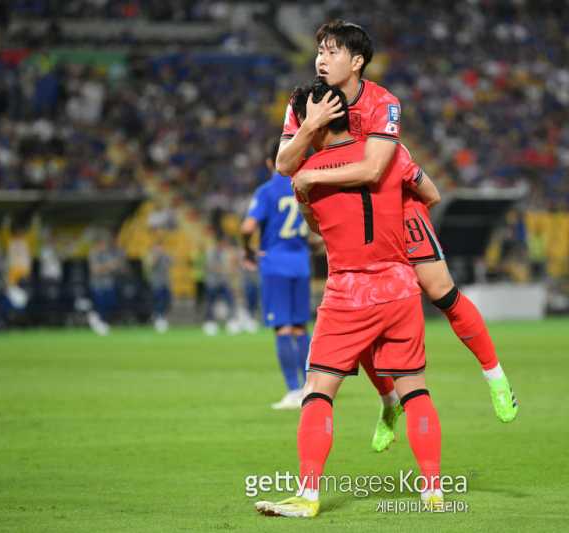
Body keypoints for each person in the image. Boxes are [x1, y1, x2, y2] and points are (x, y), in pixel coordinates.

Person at [278, 20, 517, 452]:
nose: (321, 59)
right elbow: (282, 164)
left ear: (356, 62)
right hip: (351, 218)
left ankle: (494, 375)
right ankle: (389, 401)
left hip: (398, 210)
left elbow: (377, 170)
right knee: (362, 307)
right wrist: (311, 129)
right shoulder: (303, 104)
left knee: (440, 291)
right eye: (319, 51)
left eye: (332, 52)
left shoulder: (383, 102)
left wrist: (316, 175)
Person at [256, 82, 443, 518]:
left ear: (314, 122)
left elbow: (317, 228)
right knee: (414, 389)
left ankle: (307, 494)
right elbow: (430, 195)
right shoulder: (390, 154)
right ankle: (433, 489)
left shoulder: (308, 173)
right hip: (400, 286)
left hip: (349, 291)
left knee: (318, 391)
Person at [241, 139, 311, 409]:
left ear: (271, 162)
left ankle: (294, 391)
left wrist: (248, 252)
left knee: (282, 328)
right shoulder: (304, 186)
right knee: (300, 327)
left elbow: (247, 227)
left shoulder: (267, 190)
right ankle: (310, 387)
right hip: (301, 263)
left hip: (275, 265)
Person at [202, 238, 236, 336]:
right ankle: (209, 322)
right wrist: (223, 269)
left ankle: (231, 321)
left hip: (223, 282)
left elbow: (228, 267)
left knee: (230, 301)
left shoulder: (224, 253)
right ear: (220, 242)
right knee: (210, 303)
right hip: (212, 282)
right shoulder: (211, 252)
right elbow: (209, 266)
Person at [87, 234, 119, 336]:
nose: (105, 246)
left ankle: (103, 322)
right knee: (100, 304)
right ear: (98, 244)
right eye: (103, 244)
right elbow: (95, 270)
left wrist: (107, 267)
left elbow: (115, 266)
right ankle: (98, 322)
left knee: (111, 303)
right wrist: (108, 266)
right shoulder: (93, 254)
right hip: (98, 284)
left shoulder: (107, 254)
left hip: (108, 283)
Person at [145, 240, 172, 333]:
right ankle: (158, 318)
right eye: (158, 247)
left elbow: (171, 263)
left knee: (167, 301)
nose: (160, 249)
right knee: (158, 301)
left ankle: (162, 317)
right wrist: (157, 256)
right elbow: (150, 265)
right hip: (156, 283)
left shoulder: (165, 256)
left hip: (166, 282)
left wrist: (164, 256)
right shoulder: (151, 255)